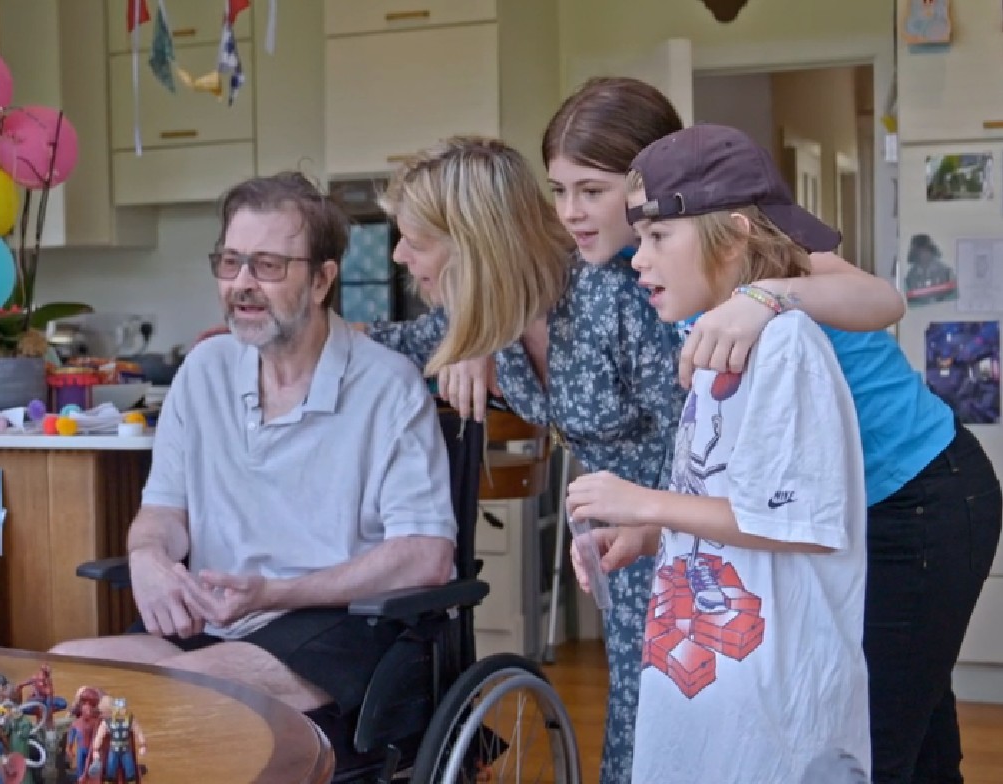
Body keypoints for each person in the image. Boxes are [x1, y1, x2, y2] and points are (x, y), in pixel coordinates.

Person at [364, 79, 905, 783]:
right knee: (669, 738)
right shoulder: (610, 268)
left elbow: (748, 467)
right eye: (561, 191)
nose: (572, 212)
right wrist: (464, 338)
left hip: (880, 490)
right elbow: (407, 331)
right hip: (688, 541)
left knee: (842, 737)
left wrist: (765, 298)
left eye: (593, 190)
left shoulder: (691, 298)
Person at [49, 171, 457, 750]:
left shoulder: (387, 386)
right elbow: (163, 513)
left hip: (340, 625)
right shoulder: (204, 370)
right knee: (64, 675)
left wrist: (273, 593)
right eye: (231, 262)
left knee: (176, 699)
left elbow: (426, 556)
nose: (242, 283)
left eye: (267, 266)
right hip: (213, 622)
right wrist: (148, 558)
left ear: (321, 280)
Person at [565, 120, 871, 784]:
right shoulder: (715, 342)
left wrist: (644, 501)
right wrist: (647, 533)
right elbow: (728, 499)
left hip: (773, 712)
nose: (638, 258)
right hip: (713, 688)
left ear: (732, 236)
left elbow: (794, 520)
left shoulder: (784, 345)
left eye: (657, 237)